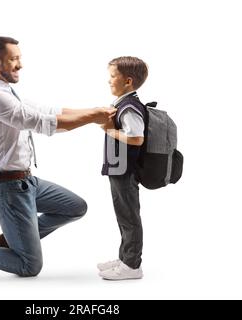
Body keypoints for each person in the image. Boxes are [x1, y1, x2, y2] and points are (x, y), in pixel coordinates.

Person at [0, 36, 116, 279]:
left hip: (27, 183)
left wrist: (96, 110)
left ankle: (14, 237)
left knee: (75, 207)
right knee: (30, 266)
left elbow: (49, 112)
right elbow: (42, 123)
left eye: (20, 58)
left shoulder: (6, 91)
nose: (20, 64)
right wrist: (94, 117)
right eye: (14, 59)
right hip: (6, 189)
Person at [98, 56, 148, 280]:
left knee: (129, 218)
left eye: (112, 76)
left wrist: (110, 131)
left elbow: (136, 138)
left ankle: (132, 266)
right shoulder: (122, 104)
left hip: (125, 170)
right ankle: (125, 258)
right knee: (123, 216)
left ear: (128, 81)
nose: (109, 81)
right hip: (119, 169)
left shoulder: (129, 107)